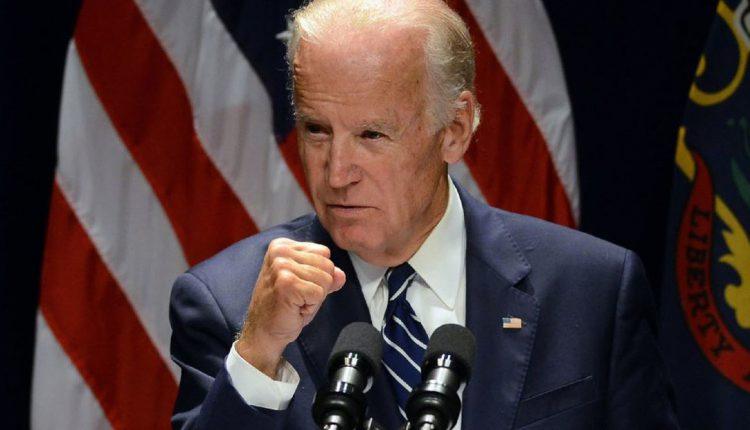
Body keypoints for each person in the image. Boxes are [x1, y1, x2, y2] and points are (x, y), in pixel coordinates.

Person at [169, 0, 679, 428]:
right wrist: (258, 354)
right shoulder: (229, 304)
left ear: (454, 130)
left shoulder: (590, 291)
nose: (336, 173)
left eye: (371, 135)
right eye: (316, 130)